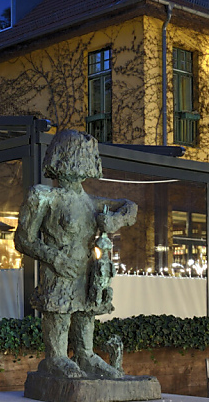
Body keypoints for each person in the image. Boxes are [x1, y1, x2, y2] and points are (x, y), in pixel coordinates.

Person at [14, 130, 137, 379]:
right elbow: (23, 239)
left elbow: (130, 207)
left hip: (87, 272)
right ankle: (56, 358)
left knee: (85, 318)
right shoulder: (43, 196)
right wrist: (55, 258)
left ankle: (85, 355)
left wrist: (115, 221)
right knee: (60, 314)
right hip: (59, 272)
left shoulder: (90, 201)